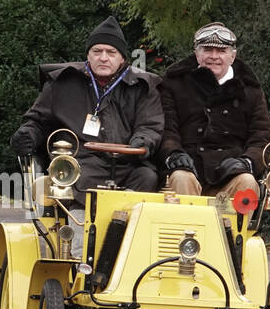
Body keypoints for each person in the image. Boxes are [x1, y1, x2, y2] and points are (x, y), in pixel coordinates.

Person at [10, 15, 163, 194]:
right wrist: (27, 134)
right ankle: (79, 219)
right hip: (79, 162)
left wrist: (141, 141)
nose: (103, 58)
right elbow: (38, 121)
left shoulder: (143, 87)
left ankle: (123, 220)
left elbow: (150, 125)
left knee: (147, 176)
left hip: (127, 162)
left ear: (122, 58)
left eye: (111, 52)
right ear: (88, 55)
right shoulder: (62, 82)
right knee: (74, 175)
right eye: (97, 51)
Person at [156, 21, 270, 201]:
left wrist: (247, 162)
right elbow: (166, 129)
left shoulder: (251, 91)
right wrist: (174, 154)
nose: (214, 56)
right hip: (188, 170)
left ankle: (235, 230)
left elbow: (262, 136)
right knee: (180, 178)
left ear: (232, 57)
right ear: (196, 54)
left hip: (231, 173)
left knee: (248, 182)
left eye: (221, 51)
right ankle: (186, 228)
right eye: (207, 50)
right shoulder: (174, 84)